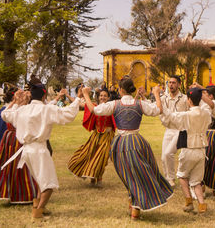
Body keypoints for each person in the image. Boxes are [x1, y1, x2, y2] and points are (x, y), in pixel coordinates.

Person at [82, 77, 172, 220]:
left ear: (121, 90)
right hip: (137, 142)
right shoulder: (140, 104)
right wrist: (156, 94)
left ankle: (134, 204)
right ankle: (135, 204)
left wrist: (86, 94)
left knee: (128, 174)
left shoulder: (114, 104)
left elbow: (94, 110)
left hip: (121, 144)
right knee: (141, 173)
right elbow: (158, 110)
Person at [1, 84, 81, 219]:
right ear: (44, 96)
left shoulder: (22, 110)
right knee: (49, 183)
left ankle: (37, 206)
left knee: (40, 180)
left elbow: (5, 115)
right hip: (39, 150)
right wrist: (78, 98)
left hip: (26, 150)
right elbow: (68, 114)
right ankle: (38, 212)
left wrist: (15, 102)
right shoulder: (46, 109)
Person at [160, 87, 210, 214]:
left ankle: (188, 202)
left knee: (182, 176)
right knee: (196, 181)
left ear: (188, 100)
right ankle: (202, 205)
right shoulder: (206, 113)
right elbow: (207, 107)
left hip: (189, 149)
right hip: (201, 150)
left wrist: (157, 97)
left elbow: (169, 115)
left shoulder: (186, 115)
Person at [0, 87, 39, 204]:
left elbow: (5, 115)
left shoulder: (17, 110)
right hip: (16, 139)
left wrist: (16, 102)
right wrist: (17, 102)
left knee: (17, 165)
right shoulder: (26, 110)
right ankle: (24, 193)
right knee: (19, 165)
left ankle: (21, 193)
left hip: (14, 139)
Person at [68, 88, 115, 186]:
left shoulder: (112, 107)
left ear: (108, 97)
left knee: (101, 157)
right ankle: (93, 179)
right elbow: (80, 104)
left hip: (107, 136)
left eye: (105, 96)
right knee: (89, 154)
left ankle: (99, 179)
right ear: (98, 97)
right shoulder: (94, 106)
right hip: (96, 135)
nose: (103, 97)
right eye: (101, 95)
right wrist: (69, 96)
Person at [159, 75, 189, 187]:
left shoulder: (185, 98)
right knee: (163, 156)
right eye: (169, 82)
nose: (171, 84)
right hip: (168, 129)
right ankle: (168, 179)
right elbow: (154, 106)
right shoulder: (164, 98)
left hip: (180, 130)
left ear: (179, 84)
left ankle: (172, 178)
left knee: (168, 153)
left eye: (174, 82)